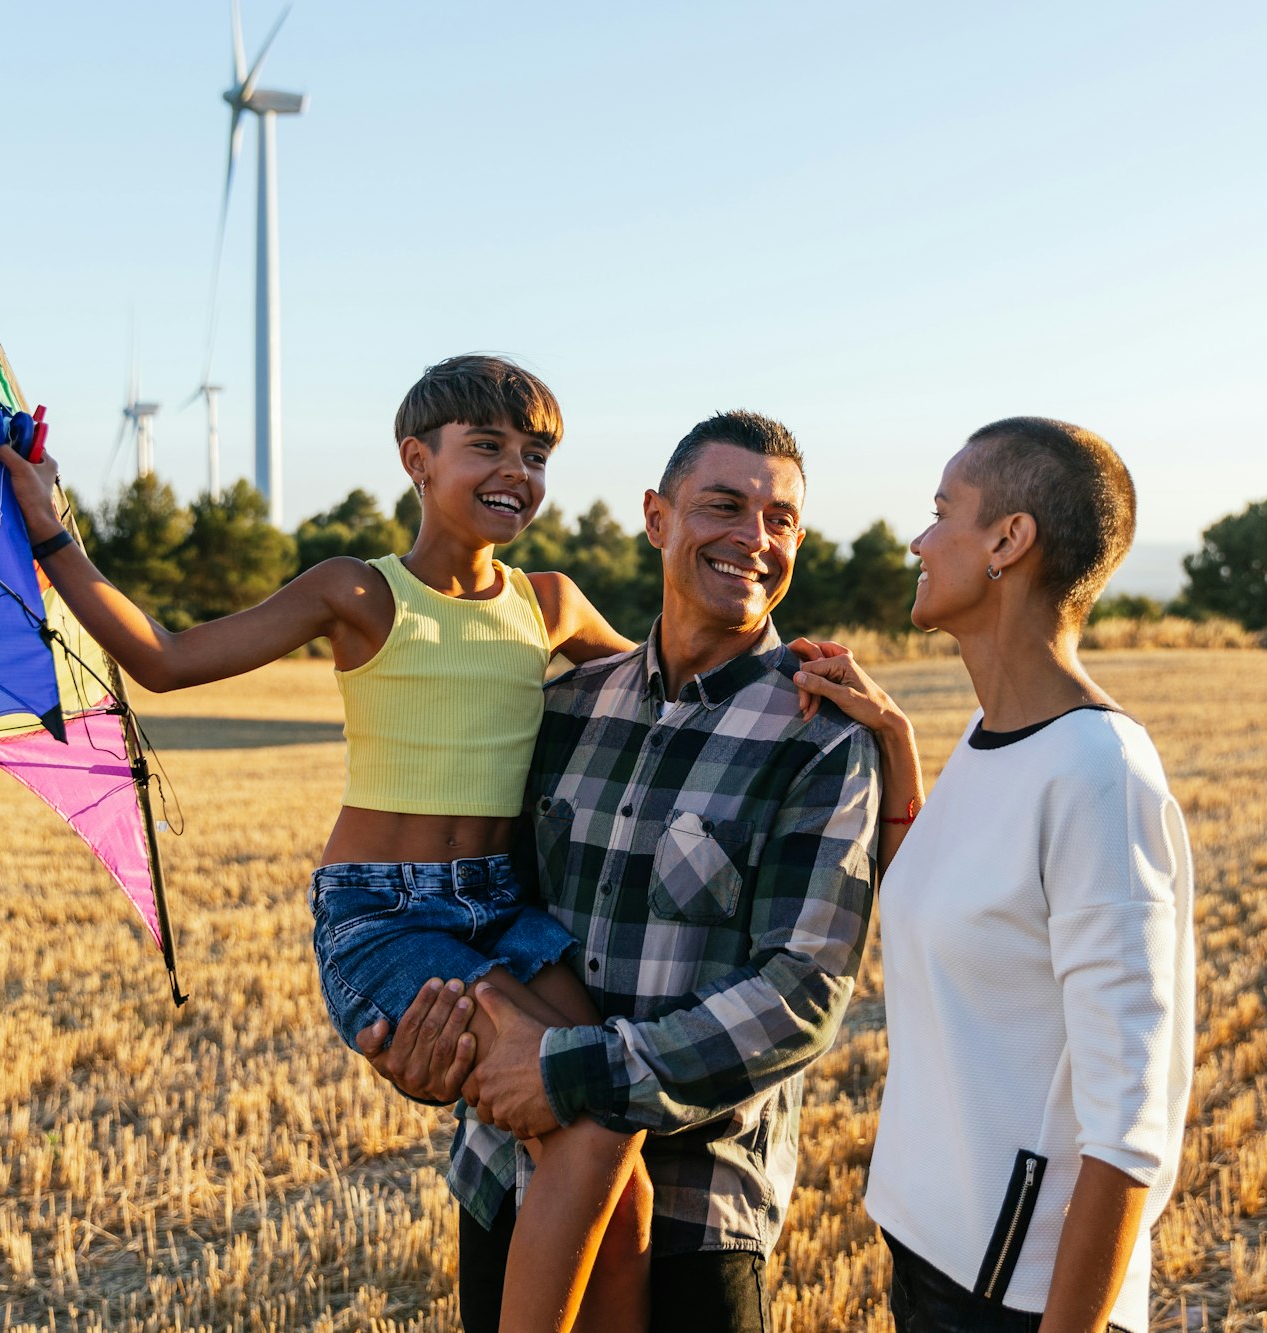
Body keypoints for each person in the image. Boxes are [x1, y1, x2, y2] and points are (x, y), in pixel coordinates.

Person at [0, 355, 656, 1333]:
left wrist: (791, 676)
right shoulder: (357, 591)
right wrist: (52, 531)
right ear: (416, 461)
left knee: (614, 1136)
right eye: (487, 447)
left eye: (536, 453)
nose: (516, 469)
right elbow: (167, 659)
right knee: (594, 1113)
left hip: (505, 911)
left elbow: (668, 681)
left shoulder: (547, 601)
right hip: (388, 916)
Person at [361, 410, 887, 1333]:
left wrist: (576, 1074)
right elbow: (483, 906)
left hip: (697, 1218)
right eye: (722, 505)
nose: (753, 539)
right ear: (656, 517)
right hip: (508, 1176)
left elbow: (801, 994)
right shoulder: (562, 707)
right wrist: (430, 1037)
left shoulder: (824, 737)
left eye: (781, 521)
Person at [791, 417, 1195, 1333]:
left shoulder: (1101, 776)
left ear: (1010, 541)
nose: (919, 539)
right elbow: (957, 901)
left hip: (1016, 1298)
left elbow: (1129, 1130)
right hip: (929, 1249)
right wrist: (895, 739)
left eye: (942, 513)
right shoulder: (989, 737)